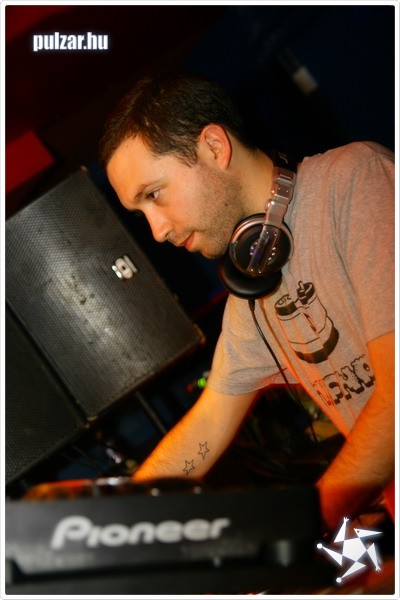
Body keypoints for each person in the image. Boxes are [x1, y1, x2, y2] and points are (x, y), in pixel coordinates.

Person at [99, 72, 395, 532]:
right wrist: (114, 524)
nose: (157, 231)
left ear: (214, 147)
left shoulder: (355, 180)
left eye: (154, 195)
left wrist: (301, 527)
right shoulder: (254, 295)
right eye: (142, 213)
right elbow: (209, 421)